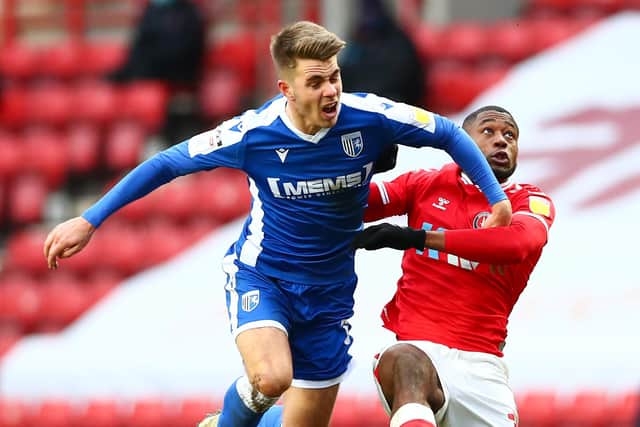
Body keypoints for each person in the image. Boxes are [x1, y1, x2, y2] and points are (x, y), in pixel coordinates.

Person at [43, 22, 512, 427]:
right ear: (286, 89)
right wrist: (89, 219)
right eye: (316, 82)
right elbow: (167, 163)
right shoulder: (253, 133)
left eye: (335, 77)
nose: (331, 91)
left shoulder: (371, 116)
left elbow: (449, 133)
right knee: (271, 378)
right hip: (263, 274)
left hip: (328, 296)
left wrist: (496, 198)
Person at [351, 105, 555, 427]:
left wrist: (419, 238)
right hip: (419, 348)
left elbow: (517, 244)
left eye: (510, 135)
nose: (502, 141)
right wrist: (358, 169)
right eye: (488, 131)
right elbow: (354, 207)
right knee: (404, 361)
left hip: (482, 366)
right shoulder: (424, 185)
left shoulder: (528, 201)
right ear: (462, 142)